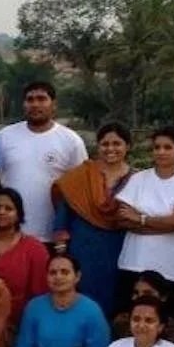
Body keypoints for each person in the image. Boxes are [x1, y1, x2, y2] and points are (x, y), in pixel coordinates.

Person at [114, 127, 174, 321]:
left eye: (167, 147)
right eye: (157, 147)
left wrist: (141, 219)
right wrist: (167, 224)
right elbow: (122, 218)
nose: (161, 152)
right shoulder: (138, 179)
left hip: (170, 268)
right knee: (129, 322)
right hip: (134, 263)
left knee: (166, 324)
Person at [52, 122, 133, 316]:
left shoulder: (138, 179)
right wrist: (61, 253)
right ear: (98, 146)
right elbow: (63, 216)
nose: (110, 149)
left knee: (117, 302)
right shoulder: (80, 176)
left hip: (121, 251)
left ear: (128, 146)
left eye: (117, 143)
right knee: (80, 300)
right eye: (105, 144)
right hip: (83, 249)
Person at [0, 82, 87, 241]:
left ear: (54, 104)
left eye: (41, 99)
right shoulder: (5, 137)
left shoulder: (71, 141)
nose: (35, 104)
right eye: (30, 99)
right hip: (9, 235)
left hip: (52, 236)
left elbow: (81, 189)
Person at [0, 187, 49, 336]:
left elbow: (40, 295)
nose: (1, 212)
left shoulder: (34, 249)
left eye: (8, 208)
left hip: (20, 326)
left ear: (18, 214)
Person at [110, 271, 174, 347]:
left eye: (147, 293)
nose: (140, 297)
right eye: (136, 293)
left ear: (163, 297)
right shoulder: (121, 323)